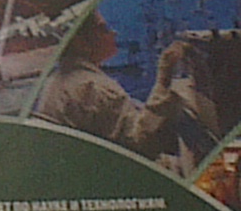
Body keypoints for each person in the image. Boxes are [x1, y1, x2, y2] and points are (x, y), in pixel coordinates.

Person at [32, 15, 216, 169]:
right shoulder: (93, 88)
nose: (114, 33)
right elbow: (141, 144)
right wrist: (164, 76)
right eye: (104, 29)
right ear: (81, 43)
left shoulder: (60, 80)